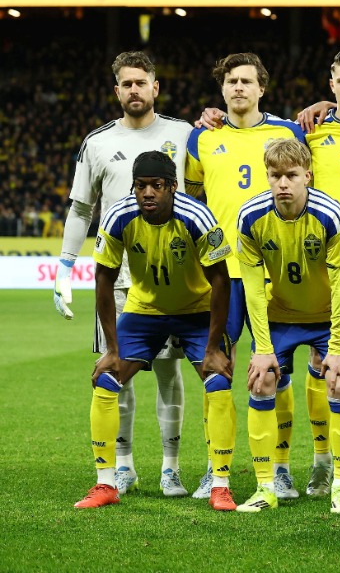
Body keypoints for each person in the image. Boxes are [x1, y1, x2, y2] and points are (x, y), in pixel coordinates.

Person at [198, 49, 340, 494]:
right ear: (331, 84)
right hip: (311, 263)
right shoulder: (307, 130)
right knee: (289, 365)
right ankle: (309, 463)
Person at [54, 51, 193, 498]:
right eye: (127, 83)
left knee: (169, 372)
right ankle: (124, 465)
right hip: (117, 278)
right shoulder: (96, 143)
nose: (135, 89)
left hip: (171, 276)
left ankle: (171, 467)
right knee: (118, 371)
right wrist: (65, 265)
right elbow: (81, 209)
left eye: (141, 82)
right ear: (117, 91)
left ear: (156, 87)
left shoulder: (184, 134)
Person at [75, 151, 235, 510]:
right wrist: (112, 350)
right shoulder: (119, 216)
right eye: (141, 186)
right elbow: (103, 280)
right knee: (106, 379)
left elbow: (221, 281)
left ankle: (220, 485)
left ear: (173, 187)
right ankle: (105, 483)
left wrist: (213, 348)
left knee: (218, 381)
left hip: (196, 310)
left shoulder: (197, 217)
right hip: (144, 310)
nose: (148, 193)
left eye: (157, 185)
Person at [185, 53, 306, 501]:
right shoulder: (202, 137)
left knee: (277, 368)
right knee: (216, 366)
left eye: (247, 81)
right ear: (222, 89)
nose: (238, 87)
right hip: (221, 274)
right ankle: (215, 469)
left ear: (261, 88)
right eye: (231, 81)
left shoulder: (287, 133)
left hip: (275, 272)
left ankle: (280, 469)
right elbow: (192, 194)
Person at [235, 138, 340, 513]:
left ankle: (339, 483)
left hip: (327, 315)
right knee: (262, 379)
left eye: (291, 175)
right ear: (267, 176)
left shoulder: (330, 215)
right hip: (281, 315)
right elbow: (253, 290)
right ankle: (267, 485)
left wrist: (338, 347)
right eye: (275, 176)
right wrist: (262, 348)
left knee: (339, 382)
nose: (283, 183)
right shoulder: (251, 217)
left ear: (308, 176)